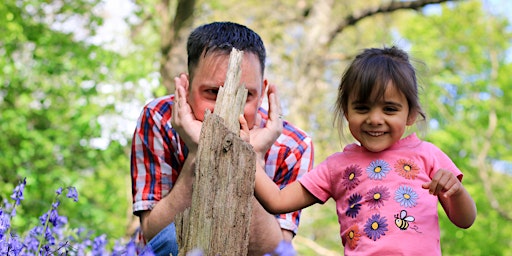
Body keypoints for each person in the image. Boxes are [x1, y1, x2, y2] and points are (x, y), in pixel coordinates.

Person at [253, 46, 477, 255]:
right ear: (346, 112)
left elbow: (465, 220)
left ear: (410, 114)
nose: (375, 119)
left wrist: (456, 192)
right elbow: (278, 201)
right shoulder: (336, 166)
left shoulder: (427, 155)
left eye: (389, 109)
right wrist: (251, 155)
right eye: (362, 108)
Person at [130, 21, 314, 256]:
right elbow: (153, 234)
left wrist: (250, 161)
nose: (226, 108)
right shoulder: (159, 118)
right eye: (213, 93)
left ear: (263, 91)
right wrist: (199, 154)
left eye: (244, 95)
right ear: (186, 87)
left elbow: (276, 251)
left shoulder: (294, 147)